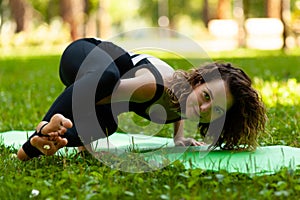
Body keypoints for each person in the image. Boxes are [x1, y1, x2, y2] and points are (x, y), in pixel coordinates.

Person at [17, 38, 266, 161]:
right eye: (206, 96)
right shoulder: (153, 86)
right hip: (84, 55)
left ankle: (48, 140)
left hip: (99, 83)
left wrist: (178, 137)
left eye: (217, 110)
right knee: (105, 80)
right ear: (198, 81)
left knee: (107, 125)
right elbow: (92, 97)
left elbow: (178, 110)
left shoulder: (187, 101)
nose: (204, 108)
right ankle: (39, 132)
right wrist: (86, 141)